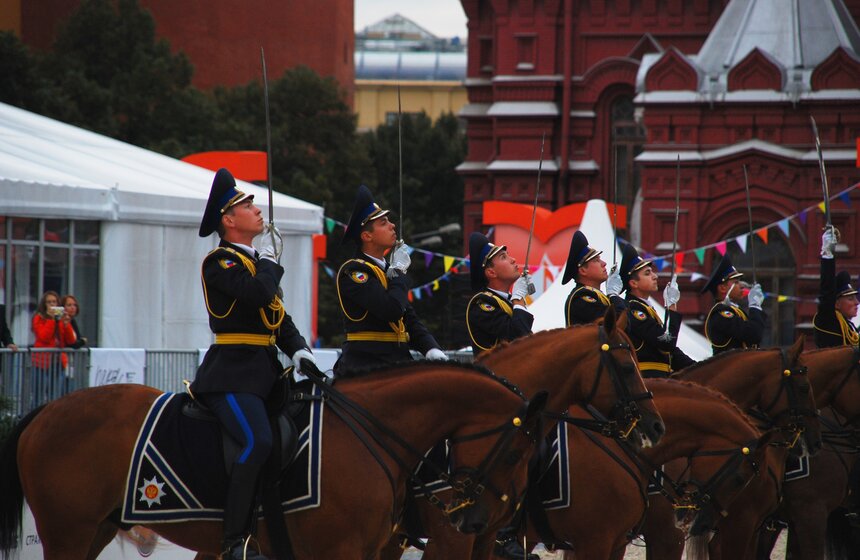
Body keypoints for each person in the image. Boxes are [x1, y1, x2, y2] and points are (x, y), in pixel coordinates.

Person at [192, 168, 316, 560]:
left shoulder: (255, 263)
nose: (256, 209)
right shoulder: (221, 262)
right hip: (231, 373)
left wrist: (300, 351)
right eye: (247, 205)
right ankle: (233, 540)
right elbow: (259, 294)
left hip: (264, 372)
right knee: (257, 439)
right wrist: (268, 262)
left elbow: (278, 315)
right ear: (229, 220)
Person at [464, 232, 538, 560]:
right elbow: (517, 337)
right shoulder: (482, 302)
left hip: (517, 390)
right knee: (507, 457)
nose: (514, 261)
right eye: (505, 258)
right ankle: (504, 532)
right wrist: (520, 302)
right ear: (490, 272)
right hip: (493, 394)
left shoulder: (505, 302)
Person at [333, 185, 445, 377]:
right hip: (366, 365)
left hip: (397, 362)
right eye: (383, 223)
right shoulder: (354, 272)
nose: (392, 225)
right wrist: (398, 272)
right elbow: (391, 310)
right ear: (367, 236)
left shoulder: (387, 270)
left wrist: (431, 348)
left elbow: (407, 317)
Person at [620, 244, 695, 378]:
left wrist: (698, 368)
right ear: (633, 283)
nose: (655, 276)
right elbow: (666, 342)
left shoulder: (644, 308)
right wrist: (671, 307)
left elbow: (670, 352)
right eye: (647, 273)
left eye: (652, 271)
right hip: (647, 377)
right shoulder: (633, 310)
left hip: (659, 376)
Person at [701, 255, 766, 355]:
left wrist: (757, 308)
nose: (741, 286)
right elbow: (754, 334)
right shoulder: (721, 315)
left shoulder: (735, 310)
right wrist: (754, 306)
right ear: (722, 288)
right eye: (736, 282)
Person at [562, 230, 627, 326]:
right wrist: (613, 295)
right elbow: (618, 324)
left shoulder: (597, 296)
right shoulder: (581, 298)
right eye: (596, 260)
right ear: (583, 270)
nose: (604, 263)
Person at [813, 225, 859, 348]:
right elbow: (827, 292)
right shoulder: (829, 320)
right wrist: (827, 256)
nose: (857, 302)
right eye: (850, 299)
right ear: (836, 303)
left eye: (855, 298)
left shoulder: (850, 327)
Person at [31, 290, 78, 402]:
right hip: (41, 363)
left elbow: (71, 341)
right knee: (38, 396)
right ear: (44, 305)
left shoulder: (61, 318)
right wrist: (51, 320)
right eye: (49, 302)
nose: (52, 305)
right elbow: (44, 337)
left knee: (55, 397)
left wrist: (67, 324)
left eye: (54, 302)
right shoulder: (39, 318)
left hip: (57, 363)